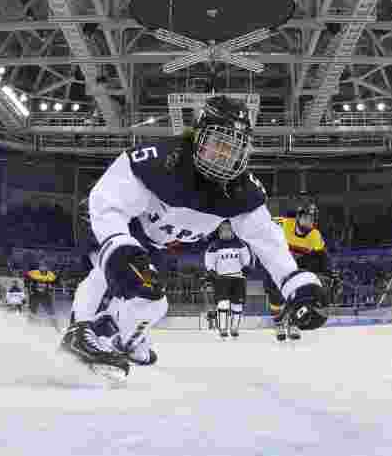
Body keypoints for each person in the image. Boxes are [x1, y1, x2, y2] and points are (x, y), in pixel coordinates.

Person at [60, 95, 327, 378]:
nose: (224, 154)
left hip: (154, 243)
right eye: (217, 143)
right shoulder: (157, 160)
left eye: (233, 147)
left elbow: (268, 242)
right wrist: (117, 244)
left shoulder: (242, 192)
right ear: (197, 136)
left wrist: (297, 285)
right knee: (116, 272)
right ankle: (80, 329)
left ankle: (120, 337)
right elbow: (109, 202)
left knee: (154, 303)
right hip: (113, 222)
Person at [265, 202, 329, 341]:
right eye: (306, 217)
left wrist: (328, 272)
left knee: (301, 293)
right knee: (274, 295)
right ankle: (278, 322)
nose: (308, 222)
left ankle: (293, 322)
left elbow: (322, 256)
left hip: (297, 267)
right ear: (298, 217)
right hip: (277, 263)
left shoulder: (315, 235)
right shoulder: (284, 223)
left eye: (312, 219)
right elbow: (263, 225)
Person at [204, 220, 252, 338]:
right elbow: (209, 261)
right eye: (223, 229)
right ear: (219, 231)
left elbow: (247, 259)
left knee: (238, 305)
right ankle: (223, 329)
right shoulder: (214, 246)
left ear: (233, 229)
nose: (225, 231)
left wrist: (247, 267)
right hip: (221, 279)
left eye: (228, 228)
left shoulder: (241, 244)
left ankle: (235, 328)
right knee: (223, 304)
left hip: (238, 278)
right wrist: (211, 271)